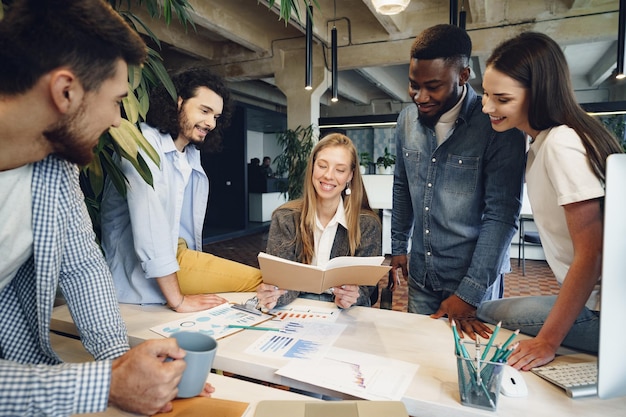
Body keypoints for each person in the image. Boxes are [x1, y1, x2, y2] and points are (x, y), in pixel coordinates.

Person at [0, 1, 214, 415]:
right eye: (117, 100)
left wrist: (123, 361)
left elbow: (83, 265)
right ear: (65, 92)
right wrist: (106, 385)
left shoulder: (53, 163)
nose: (119, 121)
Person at [477, 31, 624, 370]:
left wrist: (548, 342)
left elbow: (593, 252)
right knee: (492, 309)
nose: (487, 107)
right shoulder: (545, 143)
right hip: (598, 303)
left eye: (501, 98)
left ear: (538, 93)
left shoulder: (561, 143)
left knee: (486, 312)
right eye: (486, 95)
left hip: (609, 314)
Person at [390, 24, 527, 338]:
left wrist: (470, 292)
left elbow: (501, 216)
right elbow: (402, 184)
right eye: (413, 84)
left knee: (468, 370)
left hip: (471, 281)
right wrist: (399, 245)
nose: (420, 96)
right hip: (422, 277)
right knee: (419, 359)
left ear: (464, 75)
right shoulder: (406, 120)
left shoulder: (497, 126)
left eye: (433, 86)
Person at [101, 67, 262, 313]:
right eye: (204, 111)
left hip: (179, 256)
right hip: (144, 268)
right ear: (179, 102)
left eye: (216, 117)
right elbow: (150, 230)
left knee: (264, 283)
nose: (210, 123)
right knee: (260, 280)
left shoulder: (190, 156)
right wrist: (178, 300)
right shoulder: (143, 144)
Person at [256, 133, 381, 309]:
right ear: (313, 167)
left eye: (340, 170)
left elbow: (366, 289)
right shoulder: (285, 218)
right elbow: (280, 282)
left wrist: (353, 296)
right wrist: (273, 295)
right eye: (322, 166)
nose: (329, 175)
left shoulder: (367, 224)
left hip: (345, 312)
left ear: (350, 176)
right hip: (297, 306)